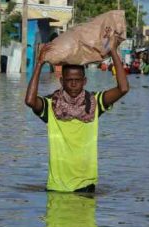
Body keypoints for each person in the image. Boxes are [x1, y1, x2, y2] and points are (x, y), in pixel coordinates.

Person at [25, 35, 129, 192]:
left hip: (85, 187)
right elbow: (30, 101)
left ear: (84, 81)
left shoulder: (94, 103)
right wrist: (39, 63)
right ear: (62, 81)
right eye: (69, 80)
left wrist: (112, 51)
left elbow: (123, 88)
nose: (73, 84)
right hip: (57, 187)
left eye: (77, 80)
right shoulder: (51, 105)